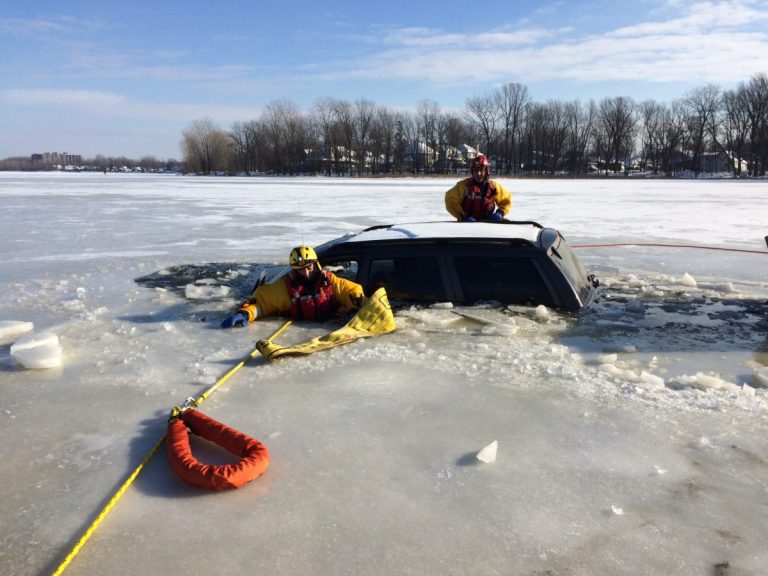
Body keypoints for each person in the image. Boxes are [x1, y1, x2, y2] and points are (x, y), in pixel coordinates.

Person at [220, 245, 364, 328]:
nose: (306, 272)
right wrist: (245, 313)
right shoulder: (286, 288)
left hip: (333, 327)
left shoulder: (331, 281)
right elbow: (261, 303)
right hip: (302, 332)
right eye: (301, 269)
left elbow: (353, 291)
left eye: (309, 267)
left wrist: (354, 310)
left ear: (316, 264)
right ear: (295, 270)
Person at [444, 155, 511, 222]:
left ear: (486, 171)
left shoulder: (494, 187)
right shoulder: (464, 185)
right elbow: (450, 200)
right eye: (476, 170)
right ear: (472, 172)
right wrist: (462, 216)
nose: (478, 173)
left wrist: (500, 212)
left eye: (481, 170)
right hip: (466, 227)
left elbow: (506, 201)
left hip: (488, 227)